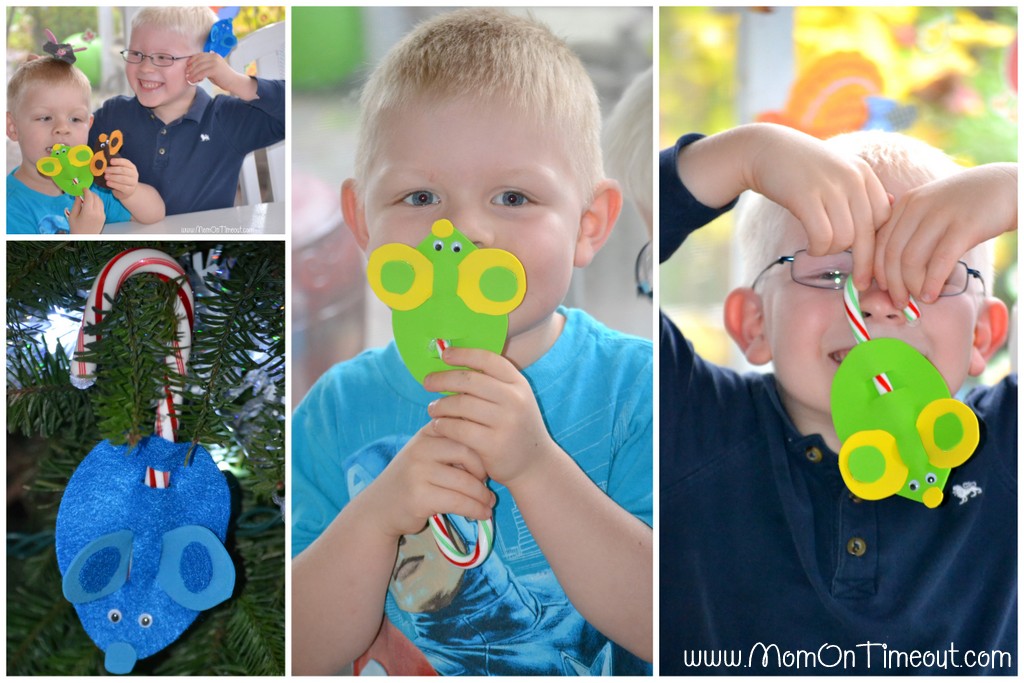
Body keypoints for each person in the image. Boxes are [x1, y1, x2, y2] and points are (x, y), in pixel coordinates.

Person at [292, 9, 652, 676]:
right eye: (420, 194)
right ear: (362, 220)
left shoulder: (638, 393)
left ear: (589, 223)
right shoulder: (336, 409)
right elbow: (296, 654)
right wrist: (376, 516)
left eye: (513, 197)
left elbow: (675, 624)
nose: (461, 233)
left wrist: (535, 466)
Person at [660, 122, 1016, 674]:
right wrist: (745, 155)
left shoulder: (1007, 449)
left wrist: (1014, 190)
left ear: (984, 336)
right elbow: (609, 246)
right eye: (831, 273)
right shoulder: (693, 422)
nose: (877, 301)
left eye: (930, 271)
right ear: (754, 324)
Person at [90, 7, 285, 215]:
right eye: (137, 54)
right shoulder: (114, 114)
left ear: (202, 63)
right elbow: (69, 149)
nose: (145, 68)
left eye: (164, 57)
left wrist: (234, 81)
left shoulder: (226, 119)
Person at [6, 55, 165, 234]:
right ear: (13, 127)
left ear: (89, 126)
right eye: (45, 118)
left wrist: (130, 192)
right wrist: (82, 236)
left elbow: (155, 215)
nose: (62, 128)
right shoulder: (9, 207)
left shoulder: (92, 184)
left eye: (75, 119)